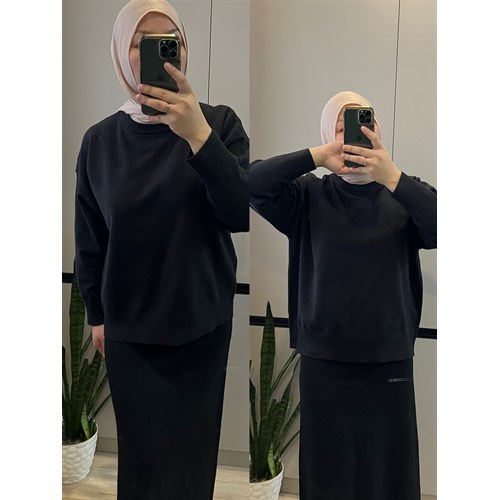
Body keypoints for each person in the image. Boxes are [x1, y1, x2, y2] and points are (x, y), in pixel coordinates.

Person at [74, 0, 248, 498]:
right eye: (141, 42)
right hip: (130, 333)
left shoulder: (220, 124)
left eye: (170, 42)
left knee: (192, 464)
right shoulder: (100, 141)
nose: (157, 54)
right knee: (143, 464)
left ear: (184, 51)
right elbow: (90, 237)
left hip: (201, 325)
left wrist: (198, 137)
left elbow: (239, 213)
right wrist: (96, 314)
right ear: (120, 54)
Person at [250, 90, 436, 500]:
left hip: (388, 356)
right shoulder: (307, 195)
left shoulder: (402, 192)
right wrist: (318, 157)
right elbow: (252, 182)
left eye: (367, 124)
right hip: (325, 358)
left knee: (389, 472)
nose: (356, 134)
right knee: (328, 472)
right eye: (342, 127)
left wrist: (393, 176)